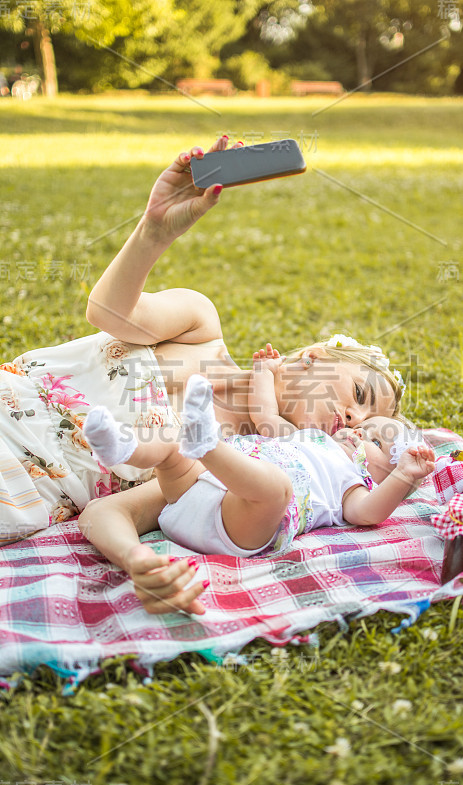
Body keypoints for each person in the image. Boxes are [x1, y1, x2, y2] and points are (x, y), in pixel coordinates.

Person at [0, 136, 404, 614]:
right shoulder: (201, 329)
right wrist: (154, 231)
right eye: (360, 393)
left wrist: (139, 563)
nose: (354, 420)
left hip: (18, 490)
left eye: (365, 425)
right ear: (316, 355)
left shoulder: (230, 466)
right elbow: (107, 312)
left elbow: (110, 512)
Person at [78, 361, 434, 615]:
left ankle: (207, 444)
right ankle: (125, 449)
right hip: (195, 497)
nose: (358, 427)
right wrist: (265, 371)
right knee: (173, 451)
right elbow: (266, 416)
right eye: (360, 404)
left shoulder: (353, 481)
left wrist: (403, 476)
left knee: (276, 488)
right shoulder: (308, 439)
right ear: (313, 358)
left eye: (374, 439)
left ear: (381, 476)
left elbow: (369, 512)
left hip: (242, 523)